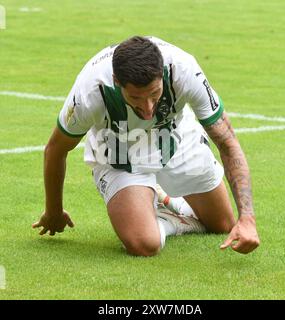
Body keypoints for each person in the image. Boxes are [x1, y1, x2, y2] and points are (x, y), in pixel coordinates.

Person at [33, 36, 260, 256]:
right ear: (117, 81)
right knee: (145, 244)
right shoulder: (90, 91)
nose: (148, 108)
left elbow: (227, 141)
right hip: (118, 148)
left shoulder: (184, 69)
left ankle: (165, 202)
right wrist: (53, 211)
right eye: (136, 98)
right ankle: (156, 214)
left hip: (174, 134)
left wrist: (247, 219)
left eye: (154, 94)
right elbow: (56, 149)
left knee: (223, 223)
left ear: (162, 74)